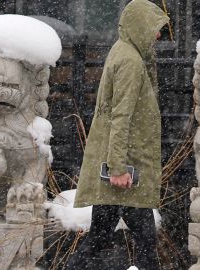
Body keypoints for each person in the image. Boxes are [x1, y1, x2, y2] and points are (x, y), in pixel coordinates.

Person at [67, 1, 169, 270]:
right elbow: (120, 118)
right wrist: (118, 168)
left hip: (123, 166)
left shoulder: (122, 51)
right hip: (126, 172)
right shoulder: (130, 61)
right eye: (155, 28)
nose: (158, 35)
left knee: (101, 238)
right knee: (145, 241)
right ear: (141, 25)